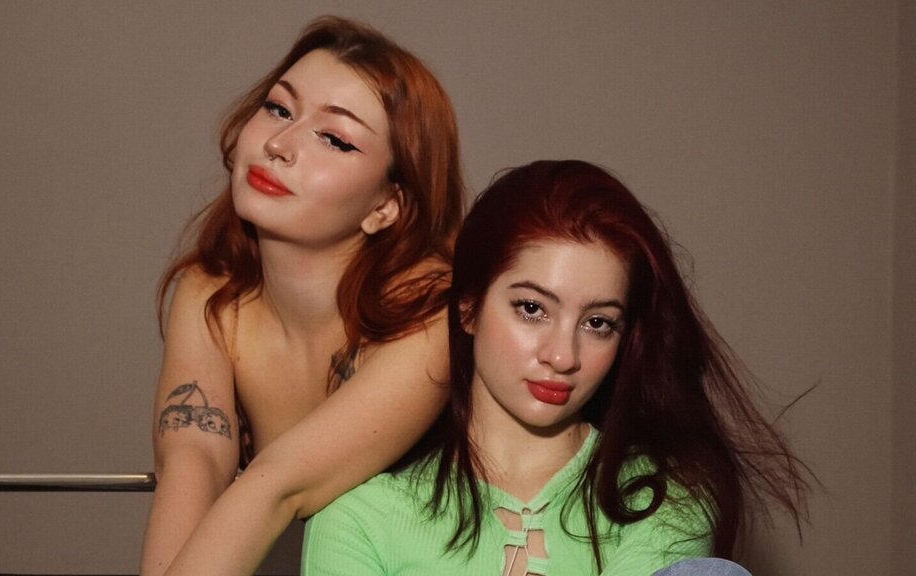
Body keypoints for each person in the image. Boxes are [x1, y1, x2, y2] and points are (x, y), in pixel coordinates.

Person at [302, 160, 808, 575]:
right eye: (531, 309)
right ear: (469, 307)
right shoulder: (359, 519)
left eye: (598, 323)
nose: (563, 356)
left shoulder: (664, 500)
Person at [141, 16, 464, 576]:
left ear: (387, 205)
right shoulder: (210, 294)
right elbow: (193, 463)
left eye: (334, 139)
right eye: (278, 109)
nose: (279, 145)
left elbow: (278, 486)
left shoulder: (430, 311)